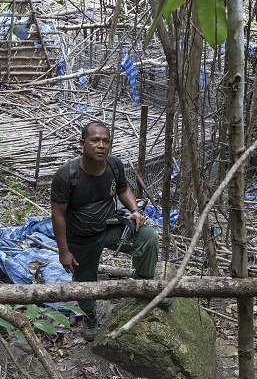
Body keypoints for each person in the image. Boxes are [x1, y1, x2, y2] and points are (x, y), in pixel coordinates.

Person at [50, 121, 172, 342]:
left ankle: (145, 286)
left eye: (106, 141)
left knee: (148, 238)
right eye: (95, 140)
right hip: (80, 237)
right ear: (82, 143)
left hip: (110, 226)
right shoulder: (66, 175)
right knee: (85, 282)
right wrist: (63, 251)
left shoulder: (114, 165)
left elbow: (124, 188)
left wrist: (134, 210)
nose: (101, 145)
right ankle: (89, 315)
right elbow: (58, 214)